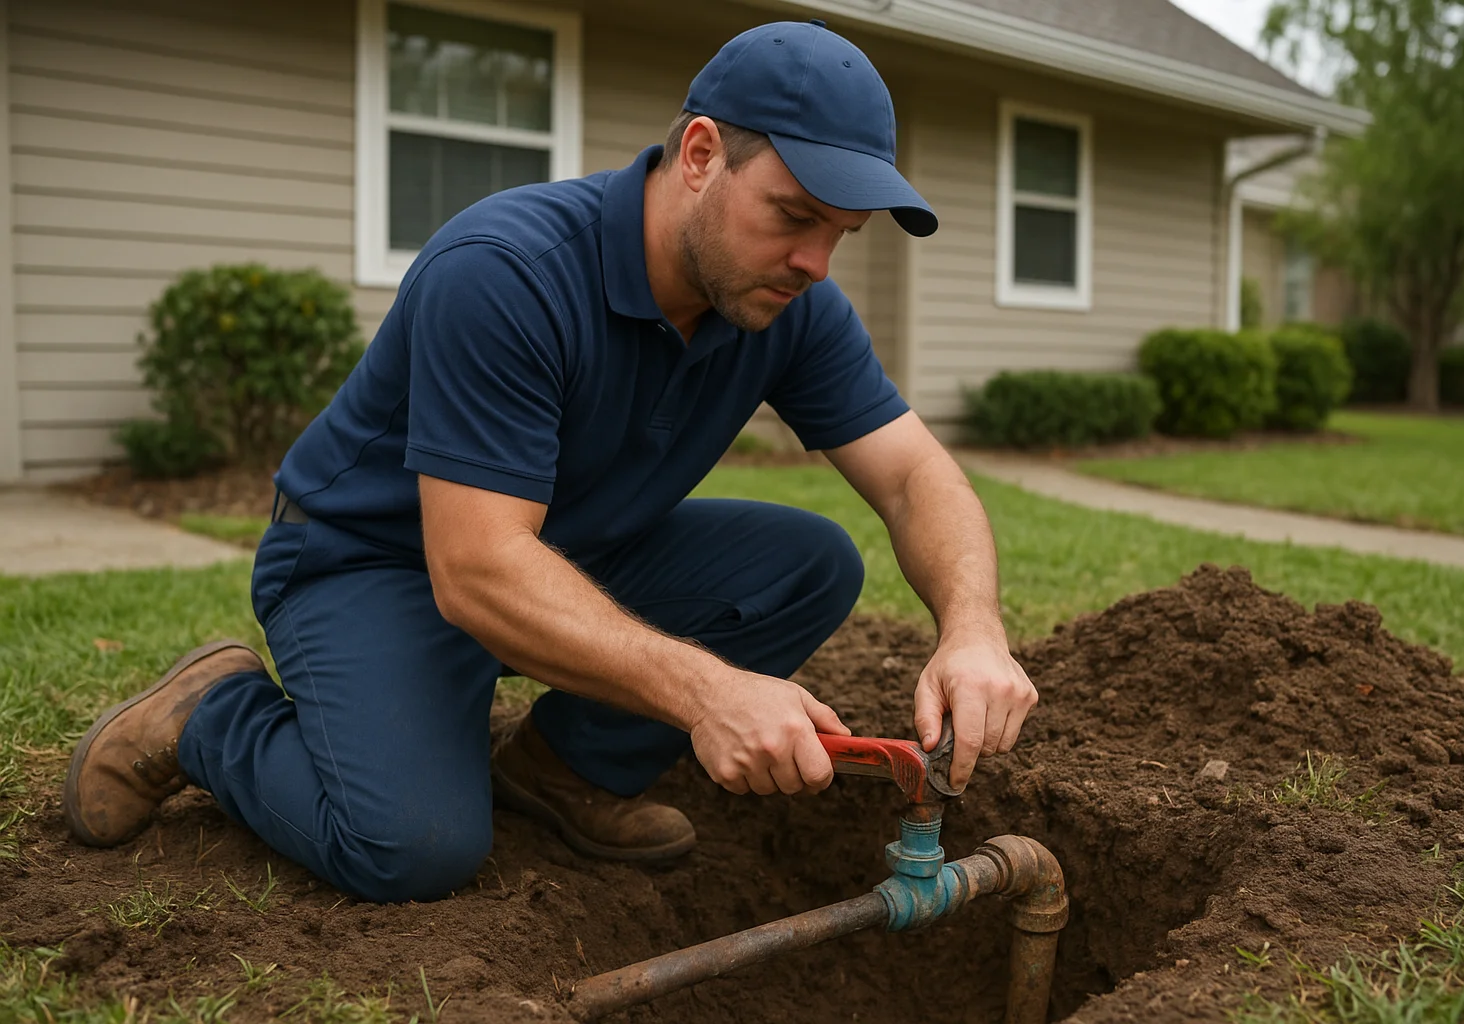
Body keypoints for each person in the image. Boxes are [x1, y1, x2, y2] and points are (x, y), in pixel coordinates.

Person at [62, 19, 1037, 903]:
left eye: (842, 234)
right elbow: (479, 567)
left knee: (808, 563)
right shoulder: (507, 271)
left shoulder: (791, 305)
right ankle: (209, 715)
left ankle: (559, 771)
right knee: (413, 846)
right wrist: (709, 690)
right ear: (700, 153)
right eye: (793, 216)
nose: (817, 263)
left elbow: (915, 477)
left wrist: (975, 630)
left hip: (562, 548)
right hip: (378, 564)